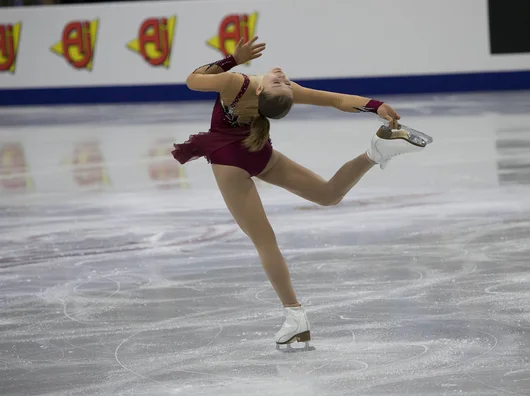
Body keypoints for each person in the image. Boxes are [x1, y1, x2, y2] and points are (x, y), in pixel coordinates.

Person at [172, 37, 432, 351]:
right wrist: (374, 105)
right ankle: (376, 153)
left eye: (280, 83)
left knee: (283, 227)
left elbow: (192, 80)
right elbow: (335, 101)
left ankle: (295, 317)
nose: (282, 77)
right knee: (318, 203)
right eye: (281, 83)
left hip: (234, 160)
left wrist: (232, 58)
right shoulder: (249, 86)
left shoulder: (235, 82)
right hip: (255, 154)